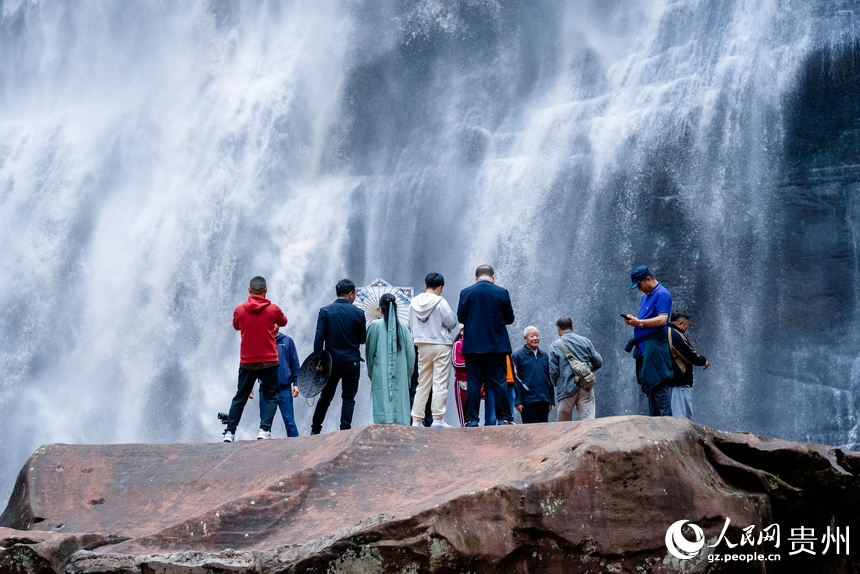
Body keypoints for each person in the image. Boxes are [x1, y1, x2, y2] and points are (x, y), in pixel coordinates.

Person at [224, 276, 288, 442]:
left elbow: (236, 325)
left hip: (247, 360)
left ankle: (230, 432)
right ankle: (264, 430)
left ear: (249, 290)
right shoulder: (273, 309)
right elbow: (284, 321)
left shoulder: (239, 310)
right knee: (272, 396)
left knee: (240, 396)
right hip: (269, 360)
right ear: (265, 290)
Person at [456, 264, 515, 426]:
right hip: (496, 346)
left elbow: (461, 317)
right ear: (493, 276)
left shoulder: (466, 292)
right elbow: (510, 319)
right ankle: (503, 418)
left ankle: (472, 420)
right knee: (499, 382)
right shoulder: (501, 292)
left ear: (476, 278)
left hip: (473, 346)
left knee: (474, 383)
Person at [311, 279, 367, 434]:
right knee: (348, 398)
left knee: (325, 397)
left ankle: (315, 429)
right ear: (350, 294)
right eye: (354, 294)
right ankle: (345, 430)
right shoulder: (359, 313)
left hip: (331, 362)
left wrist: (318, 360)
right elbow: (363, 339)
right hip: (352, 362)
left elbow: (319, 338)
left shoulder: (325, 311)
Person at [408, 272, 458, 428]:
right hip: (440, 344)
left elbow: (409, 323)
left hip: (421, 345)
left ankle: (416, 420)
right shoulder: (440, 301)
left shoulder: (413, 302)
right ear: (440, 288)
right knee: (440, 382)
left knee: (422, 382)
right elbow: (451, 322)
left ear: (425, 286)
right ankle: (437, 419)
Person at [623, 265, 675, 417]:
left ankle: (667, 421)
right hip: (643, 346)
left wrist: (639, 322)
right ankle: (654, 421)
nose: (639, 289)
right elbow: (644, 320)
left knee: (657, 382)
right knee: (649, 385)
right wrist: (635, 320)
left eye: (639, 285)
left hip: (654, 346)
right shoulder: (646, 296)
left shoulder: (662, 294)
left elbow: (662, 319)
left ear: (648, 278)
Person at [366, 293, 415, 424]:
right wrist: (408, 375)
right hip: (401, 372)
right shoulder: (404, 328)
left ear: (380, 308)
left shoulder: (374, 326)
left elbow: (369, 353)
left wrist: (371, 372)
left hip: (379, 372)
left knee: (381, 402)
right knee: (400, 402)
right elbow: (411, 355)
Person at [549, 316, 602, 421]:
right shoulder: (585, 341)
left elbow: (554, 372)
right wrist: (586, 371)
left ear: (558, 329)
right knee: (588, 421)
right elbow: (598, 362)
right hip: (585, 386)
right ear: (572, 327)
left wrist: (558, 383)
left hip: (565, 388)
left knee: (564, 425)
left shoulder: (555, 346)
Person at [257, 325, 301, 437]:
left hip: (284, 388)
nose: (272, 324)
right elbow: (253, 365)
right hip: (266, 388)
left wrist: (296, 383)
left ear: (279, 324)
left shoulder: (288, 341)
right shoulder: (262, 341)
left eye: (275, 322)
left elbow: (294, 363)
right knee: (264, 425)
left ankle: (296, 446)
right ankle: (264, 449)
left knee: (289, 421)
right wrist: (249, 386)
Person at [666, 311, 710, 419]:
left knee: (676, 413)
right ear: (680, 323)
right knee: (682, 416)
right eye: (687, 325)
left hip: (670, 378)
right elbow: (689, 354)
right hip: (678, 380)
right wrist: (703, 361)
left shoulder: (665, 331)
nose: (687, 328)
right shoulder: (675, 334)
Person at [512, 326, 555, 423]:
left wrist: (551, 399)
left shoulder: (544, 356)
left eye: (537, 335)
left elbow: (549, 378)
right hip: (528, 400)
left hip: (544, 399)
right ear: (525, 338)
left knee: (543, 430)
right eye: (532, 336)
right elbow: (515, 380)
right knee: (529, 430)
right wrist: (518, 400)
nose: (535, 338)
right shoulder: (517, 356)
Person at [452, 327, 467, 426]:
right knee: (463, 411)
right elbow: (456, 362)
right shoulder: (458, 344)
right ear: (461, 331)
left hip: (474, 381)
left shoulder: (473, 344)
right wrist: (471, 364)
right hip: (462, 381)